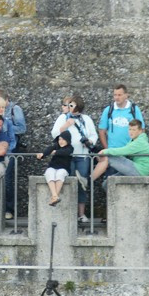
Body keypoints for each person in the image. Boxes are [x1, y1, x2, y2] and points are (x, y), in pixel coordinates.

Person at [51, 95, 98, 223]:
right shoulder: (62, 118)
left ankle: (81, 214)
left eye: (71, 105)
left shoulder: (86, 119)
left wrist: (89, 141)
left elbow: (94, 135)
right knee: (67, 181)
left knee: (82, 183)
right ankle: (68, 213)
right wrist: (66, 125)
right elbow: (54, 134)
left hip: (83, 156)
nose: (68, 107)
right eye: (68, 104)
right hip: (67, 155)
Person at [0, 89, 26, 219]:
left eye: (1, 104)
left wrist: (6, 127)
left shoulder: (14, 109)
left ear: (7, 100)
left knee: (7, 178)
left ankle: (8, 209)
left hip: (10, 149)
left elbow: (22, 128)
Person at [91, 119, 149, 185]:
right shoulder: (135, 140)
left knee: (108, 157)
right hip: (137, 168)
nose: (131, 132)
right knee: (107, 184)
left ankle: (89, 180)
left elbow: (123, 151)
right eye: (129, 129)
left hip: (140, 171)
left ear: (140, 131)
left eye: (134, 130)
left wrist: (104, 151)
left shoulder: (140, 142)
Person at [98, 84, 145, 150]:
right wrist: (107, 149)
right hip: (113, 151)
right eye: (115, 95)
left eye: (119, 95)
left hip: (131, 151)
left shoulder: (134, 109)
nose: (117, 97)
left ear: (126, 95)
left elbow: (142, 130)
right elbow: (101, 131)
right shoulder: (108, 110)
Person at [37, 130, 74, 206]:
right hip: (53, 166)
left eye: (63, 139)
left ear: (67, 140)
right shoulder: (56, 146)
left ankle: (54, 197)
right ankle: (55, 196)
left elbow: (65, 152)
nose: (61, 141)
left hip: (64, 168)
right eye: (60, 139)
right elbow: (48, 150)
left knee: (60, 174)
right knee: (49, 173)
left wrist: (56, 152)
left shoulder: (70, 148)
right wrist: (42, 155)